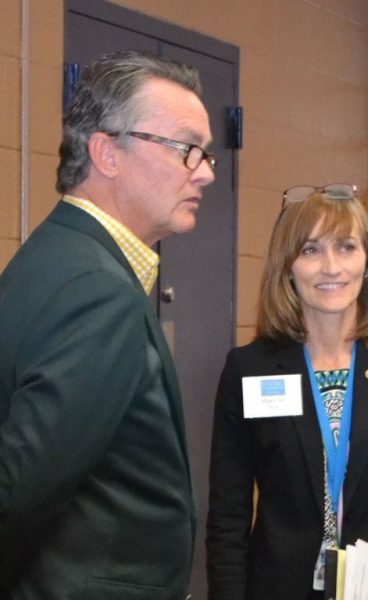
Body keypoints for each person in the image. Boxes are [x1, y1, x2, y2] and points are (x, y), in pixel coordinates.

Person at [0, 50, 216, 597]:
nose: (207, 172)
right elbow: (19, 490)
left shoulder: (60, 258)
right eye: (188, 149)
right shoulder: (96, 290)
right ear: (107, 152)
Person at [206, 184, 368, 600]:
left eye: (346, 247)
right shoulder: (248, 371)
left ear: (367, 260)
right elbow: (227, 522)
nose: (331, 267)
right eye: (310, 250)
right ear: (286, 266)